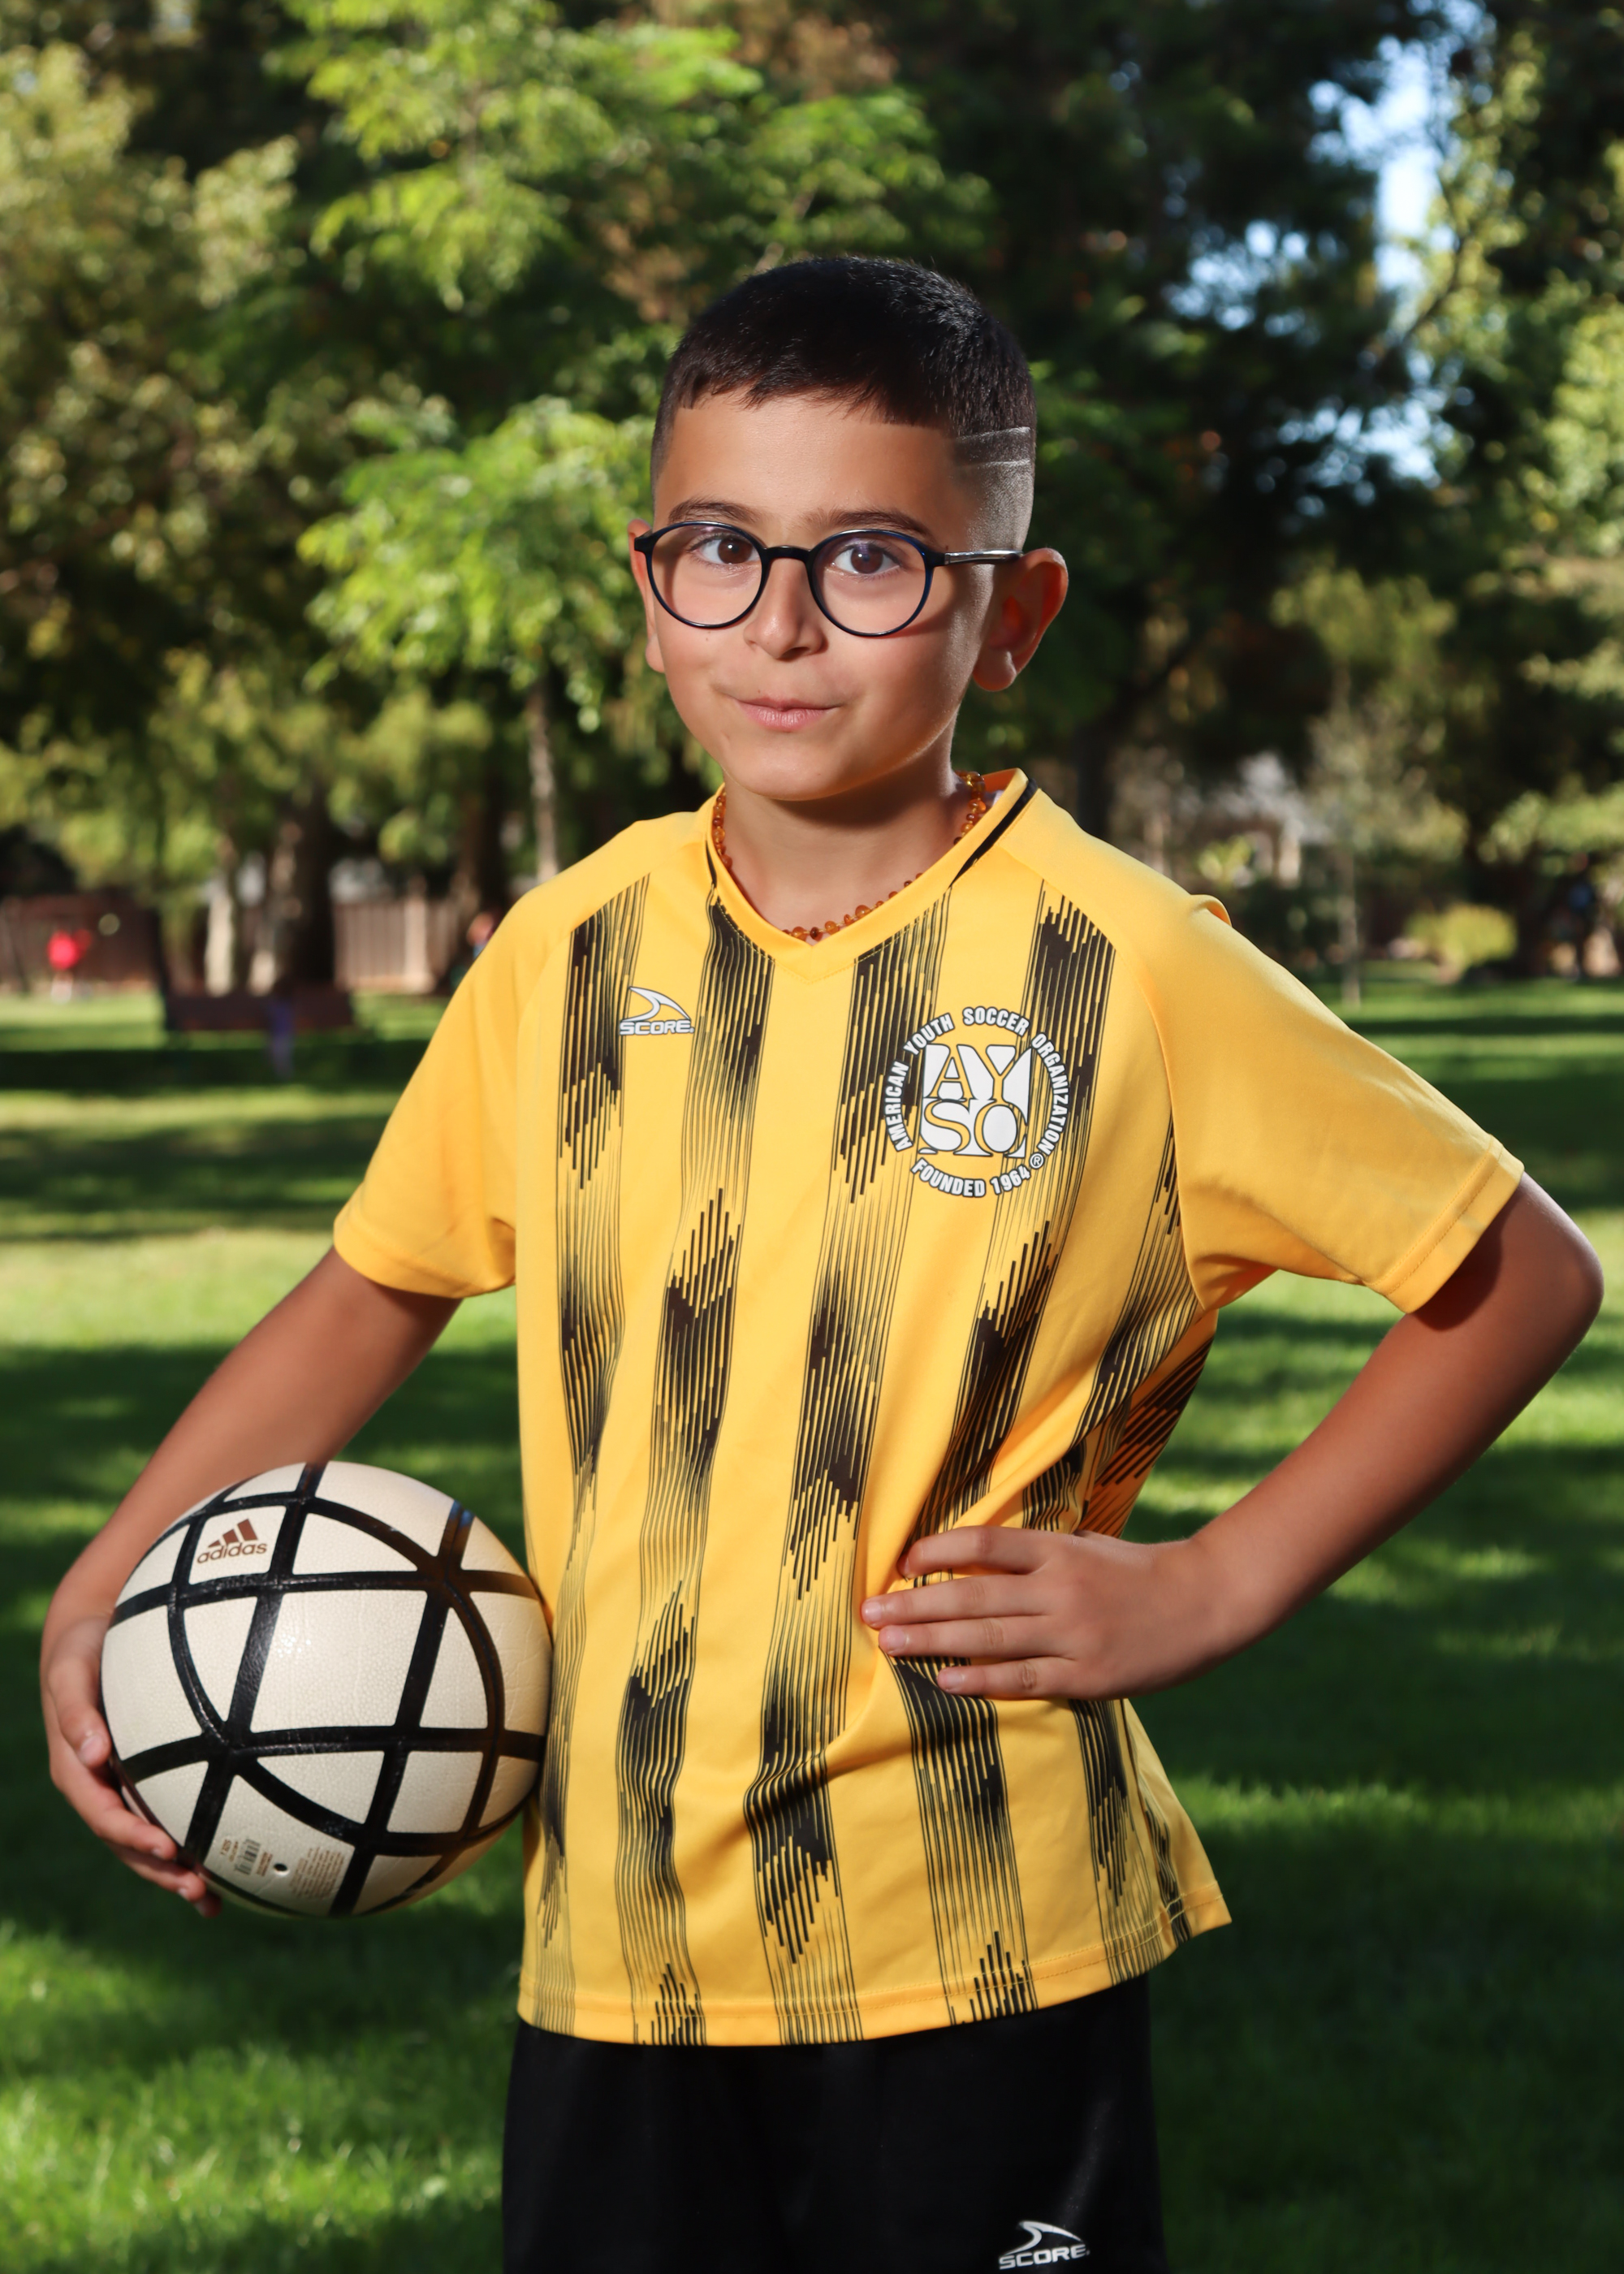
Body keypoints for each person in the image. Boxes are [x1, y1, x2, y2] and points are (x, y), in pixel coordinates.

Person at [39, 259, 1601, 2273]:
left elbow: (1517, 1271)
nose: (779, 621)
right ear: (648, 585)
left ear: (1008, 613)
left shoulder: (1133, 967)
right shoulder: (568, 949)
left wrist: (1216, 1581)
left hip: (980, 1931)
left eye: (870, 558)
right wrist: (116, 1568)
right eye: (719, 548)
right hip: (615, 1940)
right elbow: (375, 1285)